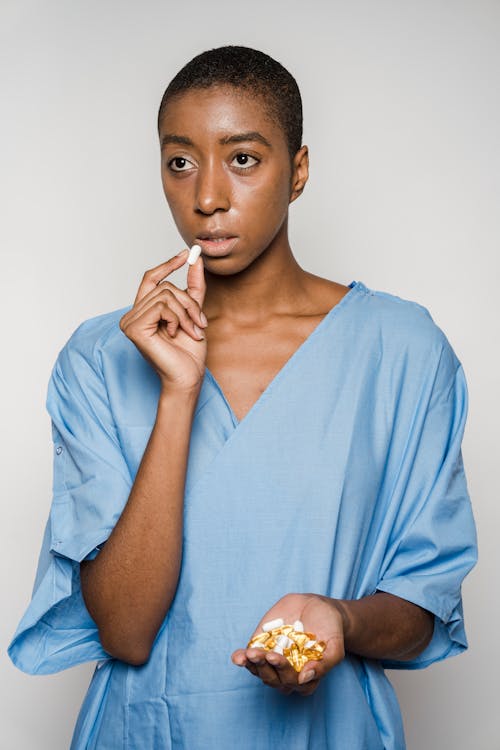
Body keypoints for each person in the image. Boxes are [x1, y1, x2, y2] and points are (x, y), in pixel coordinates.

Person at [9, 46, 477, 749]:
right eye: (180, 161)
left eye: (244, 159)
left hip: (328, 732)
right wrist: (177, 393)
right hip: (146, 731)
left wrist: (340, 622)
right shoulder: (101, 358)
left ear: (299, 171)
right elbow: (128, 633)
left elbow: (423, 607)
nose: (206, 197)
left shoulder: (402, 351)